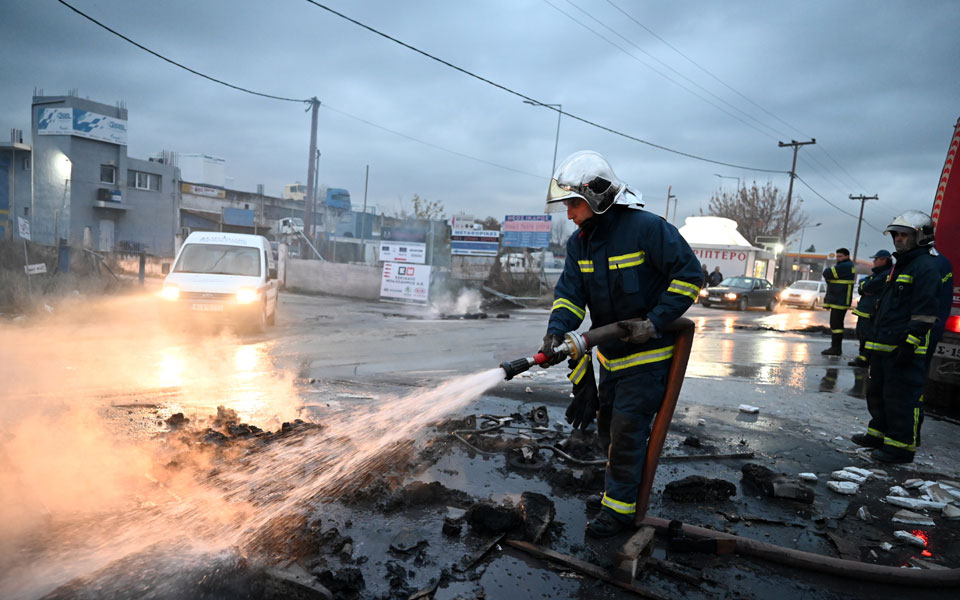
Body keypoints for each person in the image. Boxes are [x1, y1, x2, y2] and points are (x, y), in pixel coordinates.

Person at [538, 150, 702, 537]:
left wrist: (655, 322)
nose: (569, 213)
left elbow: (689, 276)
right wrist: (556, 331)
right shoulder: (581, 244)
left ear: (597, 197)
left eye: (574, 204)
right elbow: (569, 297)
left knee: (628, 434)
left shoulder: (647, 229)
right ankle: (617, 494)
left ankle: (621, 514)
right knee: (608, 432)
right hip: (610, 359)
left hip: (649, 358)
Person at [851, 211, 941, 464]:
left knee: (900, 397)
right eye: (897, 234)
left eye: (905, 235)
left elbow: (925, 311)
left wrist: (909, 343)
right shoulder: (900, 265)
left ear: (920, 236)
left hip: (903, 346)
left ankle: (900, 447)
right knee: (878, 392)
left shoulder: (925, 267)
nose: (899, 239)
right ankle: (878, 435)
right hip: (883, 343)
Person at [848, 250, 893, 367]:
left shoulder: (886, 274)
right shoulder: (878, 273)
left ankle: (865, 359)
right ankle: (863, 357)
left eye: (876, 259)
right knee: (861, 334)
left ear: (884, 259)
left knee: (867, 336)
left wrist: (865, 286)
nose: (873, 261)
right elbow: (862, 286)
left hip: (871, 312)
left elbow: (868, 286)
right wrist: (864, 286)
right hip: (865, 311)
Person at [820, 248, 856, 355]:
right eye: (837, 256)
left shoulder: (845, 266)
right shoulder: (846, 266)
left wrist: (830, 274)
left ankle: (836, 348)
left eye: (840, 256)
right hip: (839, 299)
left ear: (846, 256)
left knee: (836, 325)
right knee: (836, 325)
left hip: (840, 299)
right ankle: (835, 347)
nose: (838, 258)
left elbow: (827, 272)